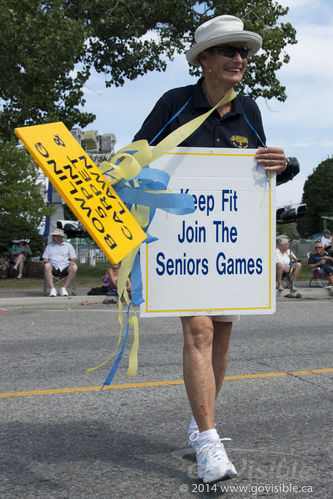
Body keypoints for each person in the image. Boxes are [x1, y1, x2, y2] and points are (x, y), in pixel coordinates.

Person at [134, 15, 287, 484]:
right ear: (204, 58)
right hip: (182, 243)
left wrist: (287, 162)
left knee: (220, 333)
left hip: (229, 245)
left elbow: (261, 173)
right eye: (228, 51)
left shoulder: (250, 110)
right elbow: (136, 157)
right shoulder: (174, 103)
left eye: (243, 52)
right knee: (197, 329)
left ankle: (203, 424)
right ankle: (208, 440)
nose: (239, 59)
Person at [42, 228, 78, 297]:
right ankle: (52, 288)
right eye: (53, 236)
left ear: (60, 237)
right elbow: (45, 258)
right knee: (46, 266)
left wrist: (72, 262)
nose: (53, 237)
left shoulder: (68, 246)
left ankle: (64, 288)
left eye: (54, 236)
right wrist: (45, 260)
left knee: (74, 267)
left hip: (65, 266)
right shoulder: (49, 246)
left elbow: (73, 258)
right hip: (53, 267)